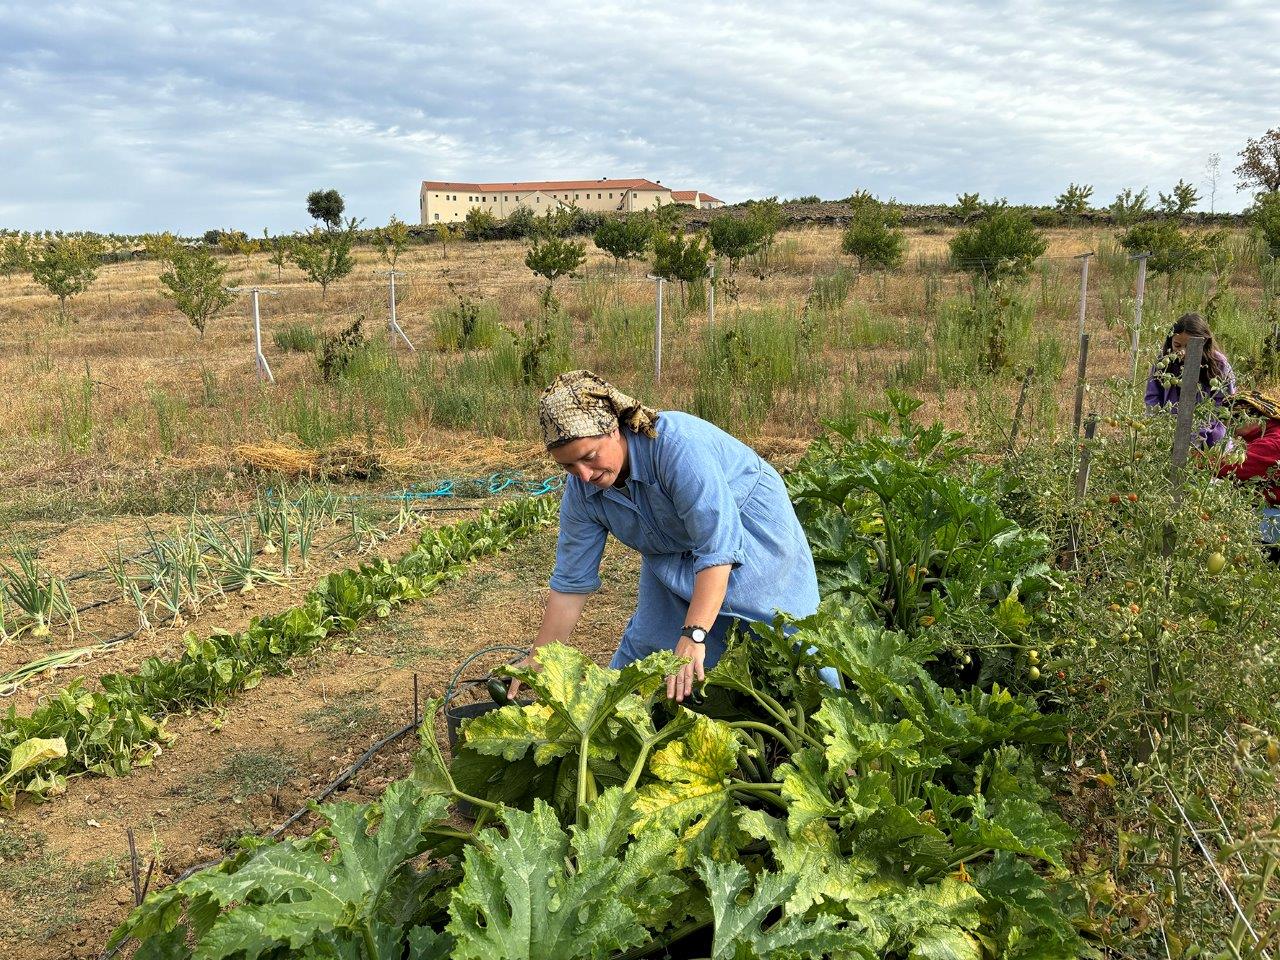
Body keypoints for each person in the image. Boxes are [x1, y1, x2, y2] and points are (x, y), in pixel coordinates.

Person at [510, 370, 821, 703]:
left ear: (614, 429)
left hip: (748, 528)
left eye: (589, 457)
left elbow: (718, 548)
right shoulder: (583, 493)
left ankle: (813, 718)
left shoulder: (676, 447)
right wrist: (540, 659)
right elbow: (571, 583)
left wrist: (694, 632)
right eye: (569, 467)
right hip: (672, 549)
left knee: (780, 640)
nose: (584, 475)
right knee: (649, 647)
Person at [1144, 313, 1236, 447]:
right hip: (1169, 436)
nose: (1182, 352)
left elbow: (1225, 404)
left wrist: (1202, 432)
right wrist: (1159, 428)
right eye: (1177, 345)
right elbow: (1152, 398)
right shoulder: (1163, 362)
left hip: (1211, 441)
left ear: (1204, 342)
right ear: (1170, 342)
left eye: (1189, 347)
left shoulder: (1218, 364)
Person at [1217, 390, 1280, 545]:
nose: (1231, 428)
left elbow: (1228, 466)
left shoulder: (1272, 443)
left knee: (1236, 522)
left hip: (1275, 519)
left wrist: (1191, 458)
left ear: (1252, 415)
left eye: (1233, 419)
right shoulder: (1272, 433)